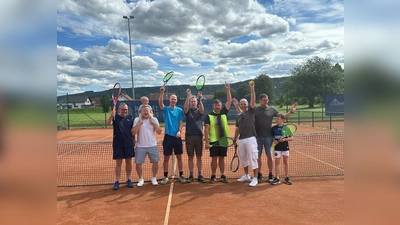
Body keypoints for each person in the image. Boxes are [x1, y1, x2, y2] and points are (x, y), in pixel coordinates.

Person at [234, 94, 297, 183]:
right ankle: (259, 174)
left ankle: (270, 174)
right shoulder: (255, 109)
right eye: (264, 100)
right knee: (258, 157)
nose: (266, 102)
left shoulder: (272, 109)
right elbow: (243, 113)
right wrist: (237, 105)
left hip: (268, 137)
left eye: (267, 100)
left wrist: (292, 111)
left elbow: (284, 116)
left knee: (269, 156)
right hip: (257, 137)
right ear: (260, 101)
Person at [204, 82, 232, 183]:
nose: (217, 106)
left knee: (222, 159)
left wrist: (227, 90)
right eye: (216, 105)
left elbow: (229, 101)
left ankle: (223, 175)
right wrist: (206, 142)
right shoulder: (209, 116)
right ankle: (213, 175)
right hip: (213, 141)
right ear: (213, 106)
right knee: (214, 159)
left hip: (223, 140)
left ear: (221, 106)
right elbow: (206, 130)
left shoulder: (224, 112)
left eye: (219, 105)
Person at [233, 81, 259, 187]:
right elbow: (237, 128)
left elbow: (253, 99)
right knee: (243, 158)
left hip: (251, 139)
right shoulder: (239, 116)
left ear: (248, 105)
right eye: (241, 104)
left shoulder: (251, 111)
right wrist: (235, 139)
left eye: (245, 104)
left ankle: (255, 178)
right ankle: (246, 175)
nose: (243, 105)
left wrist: (252, 89)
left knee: (253, 158)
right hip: (242, 139)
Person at [159, 87, 186, 184]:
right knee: (166, 157)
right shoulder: (165, 109)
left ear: (176, 100)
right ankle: (165, 176)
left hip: (177, 137)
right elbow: (160, 104)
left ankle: (181, 175)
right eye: (172, 99)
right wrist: (161, 92)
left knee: (179, 157)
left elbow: (181, 122)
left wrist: (179, 131)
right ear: (169, 100)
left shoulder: (179, 110)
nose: (173, 100)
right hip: (168, 137)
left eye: (175, 99)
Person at [131, 105, 162, 186]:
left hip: (152, 145)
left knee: (155, 162)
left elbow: (159, 131)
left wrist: (154, 123)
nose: (145, 112)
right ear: (140, 112)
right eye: (144, 110)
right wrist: (138, 124)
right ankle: (141, 179)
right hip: (140, 146)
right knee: (138, 163)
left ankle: (154, 178)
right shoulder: (136, 120)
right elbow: (133, 132)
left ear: (150, 112)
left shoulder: (154, 119)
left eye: (147, 111)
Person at [106, 103, 135, 190]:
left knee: (129, 162)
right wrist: (111, 116)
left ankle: (128, 179)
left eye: (125, 110)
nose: (124, 111)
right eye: (122, 110)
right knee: (118, 163)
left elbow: (132, 131)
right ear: (119, 110)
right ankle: (117, 181)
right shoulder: (115, 117)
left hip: (128, 144)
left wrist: (133, 140)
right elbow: (108, 124)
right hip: (118, 144)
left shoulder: (130, 118)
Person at [183, 89, 205, 183]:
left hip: (199, 136)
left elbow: (202, 109)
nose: (193, 103)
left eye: (194, 101)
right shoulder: (187, 112)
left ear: (196, 102)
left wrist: (200, 99)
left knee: (199, 156)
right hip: (189, 136)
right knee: (190, 156)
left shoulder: (199, 111)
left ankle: (200, 174)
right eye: (192, 101)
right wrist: (188, 96)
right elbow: (185, 108)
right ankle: (191, 174)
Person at [270, 113, 293, 185]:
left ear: (282, 119)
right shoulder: (273, 128)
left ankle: (286, 177)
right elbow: (272, 137)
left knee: (285, 162)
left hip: (285, 147)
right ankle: (277, 178)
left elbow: (291, 138)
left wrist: (284, 140)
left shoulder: (286, 128)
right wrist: (274, 141)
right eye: (276, 118)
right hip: (277, 148)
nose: (276, 120)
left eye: (278, 119)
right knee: (277, 162)